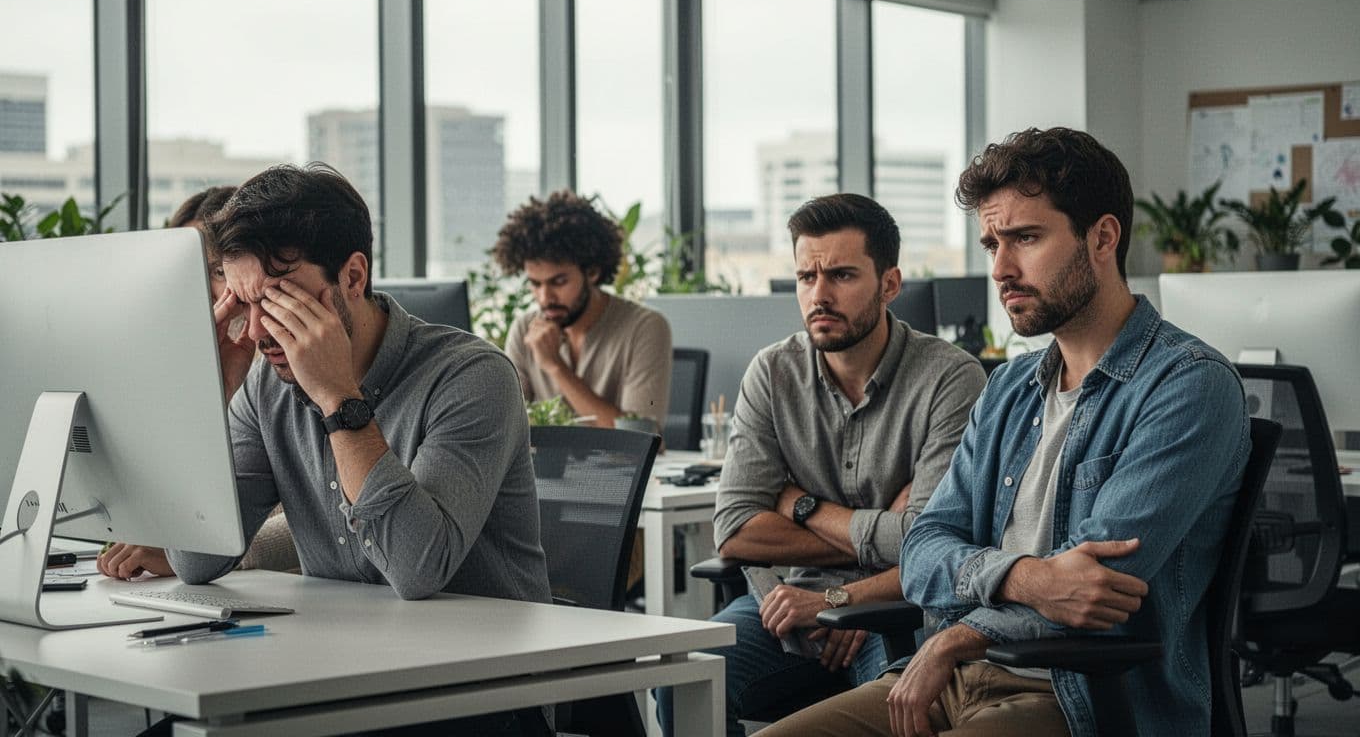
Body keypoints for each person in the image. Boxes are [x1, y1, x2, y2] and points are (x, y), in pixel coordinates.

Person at [759, 128, 1251, 737]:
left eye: (1025, 238)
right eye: (993, 242)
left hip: (1081, 698)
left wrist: (954, 637)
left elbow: (1090, 596)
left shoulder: (1187, 386)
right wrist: (1027, 579)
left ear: (1102, 237)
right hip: (953, 676)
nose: (1001, 269)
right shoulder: (1010, 387)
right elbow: (922, 550)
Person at [167, 163, 552, 737]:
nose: (256, 331)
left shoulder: (473, 377)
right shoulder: (263, 384)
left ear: (352, 276)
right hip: (341, 683)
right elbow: (194, 561)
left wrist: (339, 400)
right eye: (242, 304)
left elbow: (418, 568)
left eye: (279, 301)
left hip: (475, 699)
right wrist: (212, 395)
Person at [655, 193, 987, 737]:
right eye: (806, 276)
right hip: (785, 609)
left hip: (902, 611)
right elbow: (735, 530)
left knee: (910, 708)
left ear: (890, 284)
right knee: (683, 677)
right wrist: (876, 524)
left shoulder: (950, 379)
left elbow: (932, 548)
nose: (819, 294)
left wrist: (801, 507)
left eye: (841, 275)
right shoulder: (773, 372)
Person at [97, 186, 301, 580]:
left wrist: (210, 550)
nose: (217, 289)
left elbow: (323, 516)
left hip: (285, 581)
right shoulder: (186, 355)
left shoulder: (288, 361)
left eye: (219, 270)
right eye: (189, 268)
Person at [494, 190, 672, 430]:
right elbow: (506, 428)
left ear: (592, 272)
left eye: (559, 282)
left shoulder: (645, 327)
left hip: (617, 468)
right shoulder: (524, 330)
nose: (545, 298)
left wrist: (556, 366)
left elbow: (645, 438)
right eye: (536, 284)